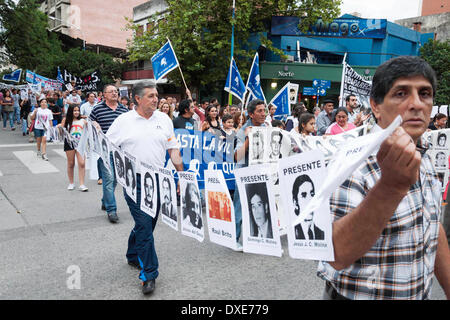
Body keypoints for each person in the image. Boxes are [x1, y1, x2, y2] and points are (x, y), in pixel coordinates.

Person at [317, 56, 450, 300]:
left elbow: (432, 224)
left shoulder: (425, 155)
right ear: (375, 106)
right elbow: (335, 254)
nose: (416, 104)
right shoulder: (351, 162)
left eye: (425, 93)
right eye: (401, 93)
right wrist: (390, 187)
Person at [106, 81, 184, 295]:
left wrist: (181, 174)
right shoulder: (123, 121)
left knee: (147, 224)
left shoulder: (164, 120)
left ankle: (133, 254)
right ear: (137, 99)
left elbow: (172, 148)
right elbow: (107, 147)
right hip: (134, 182)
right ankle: (149, 274)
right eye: (150, 96)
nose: (156, 99)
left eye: (156, 95)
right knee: (144, 225)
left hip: (159, 181)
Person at [90, 84, 129, 223]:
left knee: (115, 180)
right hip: (105, 151)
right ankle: (111, 210)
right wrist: (93, 124)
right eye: (111, 91)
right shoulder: (97, 109)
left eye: (116, 91)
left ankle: (105, 200)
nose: (114, 93)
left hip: (120, 151)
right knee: (109, 178)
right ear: (104, 94)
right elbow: (89, 125)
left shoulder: (124, 110)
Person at [234, 99, 268, 248]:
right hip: (244, 171)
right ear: (250, 114)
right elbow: (237, 156)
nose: (263, 114)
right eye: (259, 111)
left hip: (261, 172)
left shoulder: (267, 127)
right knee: (240, 207)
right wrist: (249, 138)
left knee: (263, 205)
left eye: (264, 110)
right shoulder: (243, 131)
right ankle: (234, 239)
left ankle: (264, 238)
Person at [59, 104, 88, 191]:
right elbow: (61, 134)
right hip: (69, 143)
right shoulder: (66, 120)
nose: (76, 112)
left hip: (80, 144)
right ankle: (71, 183)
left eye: (77, 111)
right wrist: (59, 128)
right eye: (74, 110)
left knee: (82, 163)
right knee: (71, 164)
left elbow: (89, 131)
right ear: (71, 111)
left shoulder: (83, 121)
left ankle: (82, 184)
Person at [292, 174, 324, 240]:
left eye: (312, 194)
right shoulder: (293, 235)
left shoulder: (322, 234)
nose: (310, 200)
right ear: (295, 203)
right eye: (304, 195)